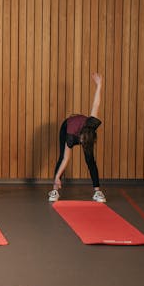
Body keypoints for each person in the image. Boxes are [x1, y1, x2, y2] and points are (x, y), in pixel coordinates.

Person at [49, 72, 105, 203]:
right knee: (62, 156)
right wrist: (57, 177)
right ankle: (55, 188)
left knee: (90, 160)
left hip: (84, 134)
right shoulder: (70, 134)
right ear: (79, 137)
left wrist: (99, 85)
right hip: (67, 127)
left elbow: (96, 104)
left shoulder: (91, 125)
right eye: (81, 141)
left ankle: (97, 191)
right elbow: (66, 159)